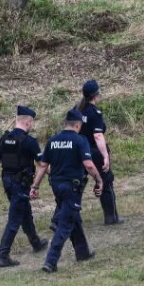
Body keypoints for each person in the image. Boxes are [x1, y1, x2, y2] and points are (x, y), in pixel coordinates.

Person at [30, 109, 102, 273]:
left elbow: (43, 166)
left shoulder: (53, 140)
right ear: (78, 125)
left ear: (65, 124)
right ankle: (51, 261)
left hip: (56, 186)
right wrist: (99, 180)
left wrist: (35, 186)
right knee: (65, 223)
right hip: (72, 187)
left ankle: (82, 252)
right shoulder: (80, 140)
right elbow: (89, 165)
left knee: (72, 216)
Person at [0, 106, 49, 267]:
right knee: (15, 219)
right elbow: (43, 165)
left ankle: (35, 242)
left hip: (7, 183)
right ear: (28, 122)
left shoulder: (3, 139)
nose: (32, 125)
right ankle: (3, 255)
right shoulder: (29, 142)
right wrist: (56, 174)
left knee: (25, 211)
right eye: (32, 122)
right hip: (21, 183)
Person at [77, 80, 123, 225]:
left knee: (76, 185)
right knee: (106, 182)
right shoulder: (94, 112)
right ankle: (111, 217)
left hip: (77, 151)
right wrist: (105, 156)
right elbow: (98, 136)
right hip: (93, 151)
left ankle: (60, 218)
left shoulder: (77, 110)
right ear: (96, 95)